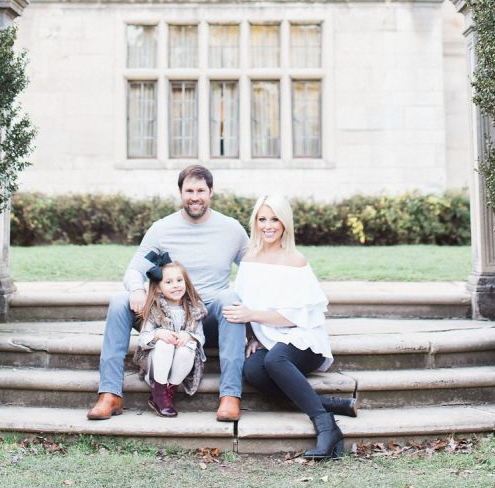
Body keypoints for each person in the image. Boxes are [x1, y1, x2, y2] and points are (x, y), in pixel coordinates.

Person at [86, 164, 249, 422]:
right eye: (189, 190)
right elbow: (134, 270)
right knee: (119, 300)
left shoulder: (232, 230)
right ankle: (110, 394)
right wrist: (137, 289)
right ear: (180, 193)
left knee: (230, 298)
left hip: (208, 317)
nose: (195, 197)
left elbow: (256, 272)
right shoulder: (162, 229)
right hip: (166, 316)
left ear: (211, 192)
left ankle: (230, 396)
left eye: (201, 190)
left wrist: (258, 328)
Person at [224, 194, 358, 461]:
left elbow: (297, 317)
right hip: (268, 337)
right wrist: (252, 335)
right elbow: (242, 304)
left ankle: (326, 426)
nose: (268, 225)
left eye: (274, 219)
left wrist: (254, 315)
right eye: (262, 219)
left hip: (303, 340)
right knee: (252, 369)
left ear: (285, 223)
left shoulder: (295, 260)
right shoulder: (250, 259)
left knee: (276, 359)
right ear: (255, 223)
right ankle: (327, 403)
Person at [134, 252, 207, 418]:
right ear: (158, 288)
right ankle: (159, 392)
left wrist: (189, 336)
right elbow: (143, 338)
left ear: (186, 283)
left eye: (179, 280)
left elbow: (201, 337)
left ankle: (169, 391)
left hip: (181, 364)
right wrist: (158, 333)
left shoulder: (194, 309)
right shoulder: (154, 309)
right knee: (165, 344)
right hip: (156, 362)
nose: (176, 285)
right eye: (169, 282)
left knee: (186, 348)